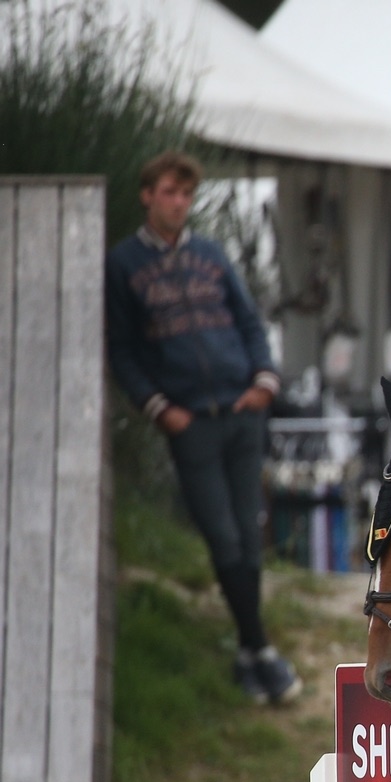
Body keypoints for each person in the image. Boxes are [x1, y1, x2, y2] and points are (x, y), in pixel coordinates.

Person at [106, 150, 301, 704]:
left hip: (240, 411)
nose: (177, 203)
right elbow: (122, 350)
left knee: (248, 533)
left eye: (186, 195)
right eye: (168, 192)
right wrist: (158, 407)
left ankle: (251, 653)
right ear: (148, 195)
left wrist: (264, 382)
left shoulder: (211, 255)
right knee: (222, 537)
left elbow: (247, 320)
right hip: (189, 419)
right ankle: (259, 648)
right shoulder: (123, 264)